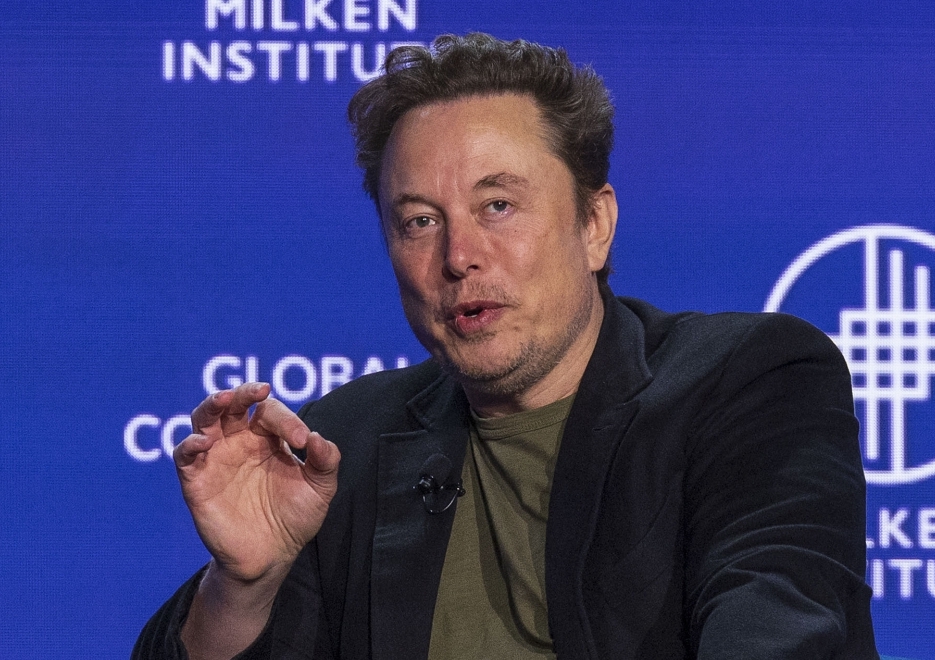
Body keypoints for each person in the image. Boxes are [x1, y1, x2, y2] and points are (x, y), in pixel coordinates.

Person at [133, 33, 878, 659]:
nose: (459, 255)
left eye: (497, 205)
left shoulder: (751, 381)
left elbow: (779, 624)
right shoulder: (346, 443)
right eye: (419, 221)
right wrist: (244, 587)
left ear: (594, 225)